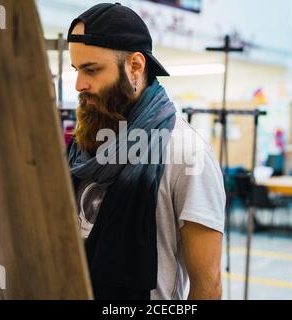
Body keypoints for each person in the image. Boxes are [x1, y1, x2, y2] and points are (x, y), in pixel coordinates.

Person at [67, 3, 225, 300]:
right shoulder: (83, 141)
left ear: (135, 67)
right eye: (76, 70)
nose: (79, 84)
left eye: (91, 70)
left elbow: (208, 287)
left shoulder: (187, 153)